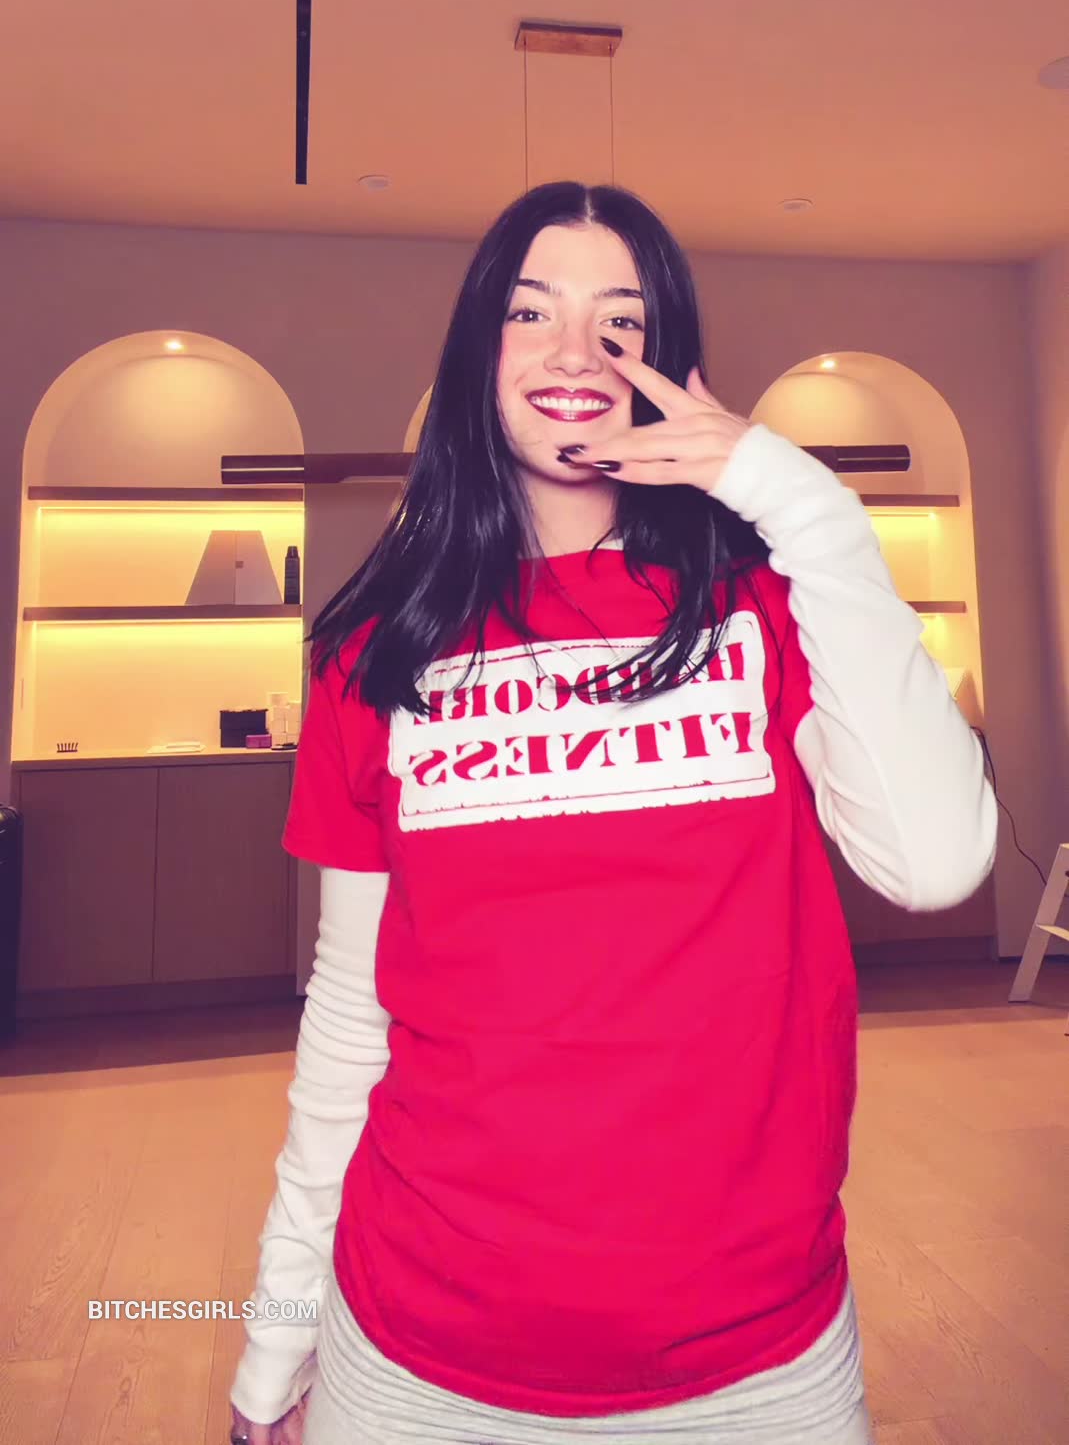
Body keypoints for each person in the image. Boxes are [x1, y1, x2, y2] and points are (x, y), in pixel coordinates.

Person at [229, 182, 997, 1445]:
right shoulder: (375, 650)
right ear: (478, 349)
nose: (575, 351)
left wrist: (801, 502)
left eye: (619, 320)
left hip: (755, 1360)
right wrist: (277, 1328)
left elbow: (936, 861)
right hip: (417, 1354)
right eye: (531, 311)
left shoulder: (767, 605)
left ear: (670, 362)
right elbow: (351, 1012)